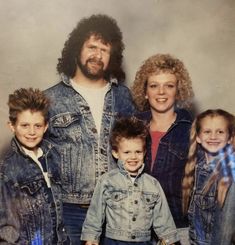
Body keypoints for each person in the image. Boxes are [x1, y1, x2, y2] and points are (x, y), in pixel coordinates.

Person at [44, 14, 136, 244]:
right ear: (77, 49)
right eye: (92, 47)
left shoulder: (123, 97)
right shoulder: (51, 99)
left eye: (104, 49)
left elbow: (141, 145)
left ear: (111, 56)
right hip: (71, 212)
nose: (97, 55)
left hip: (119, 208)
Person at [81, 116, 179, 245]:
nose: (133, 157)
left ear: (144, 153)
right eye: (127, 152)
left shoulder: (153, 184)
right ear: (116, 153)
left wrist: (168, 239)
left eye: (138, 151)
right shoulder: (107, 181)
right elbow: (95, 213)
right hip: (113, 241)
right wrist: (91, 237)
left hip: (144, 241)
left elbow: (163, 217)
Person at [131, 54, 194, 244]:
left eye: (169, 85)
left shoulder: (192, 129)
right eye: (153, 85)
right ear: (144, 92)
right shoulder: (131, 127)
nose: (161, 92)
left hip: (177, 228)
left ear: (178, 91)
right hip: (135, 228)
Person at [0, 88, 68, 244]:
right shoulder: (7, 169)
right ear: (12, 126)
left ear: (45, 127)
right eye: (25, 125)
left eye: (37, 126)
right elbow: (6, 229)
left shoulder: (52, 157)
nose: (32, 132)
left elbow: (57, 215)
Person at [182, 109, 235, 244]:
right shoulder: (197, 166)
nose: (213, 136)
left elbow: (225, 232)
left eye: (220, 132)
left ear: (229, 138)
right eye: (207, 131)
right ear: (198, 137)